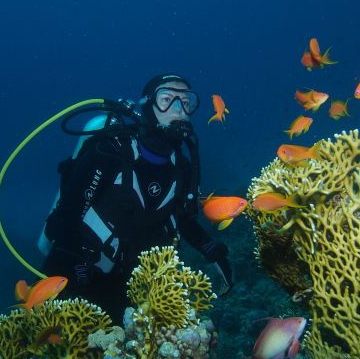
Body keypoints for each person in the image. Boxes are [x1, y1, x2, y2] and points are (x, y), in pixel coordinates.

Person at [40, 74, 233, 321]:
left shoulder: (182, 167)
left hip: (132, 286)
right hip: (74, 275)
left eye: (186, 101)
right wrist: (75, 265)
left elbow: (180, 216)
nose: (179, 109)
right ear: (147, 106)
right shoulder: (109, 151)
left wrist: (210, 249)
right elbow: (66, 217)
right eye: (167, 99)